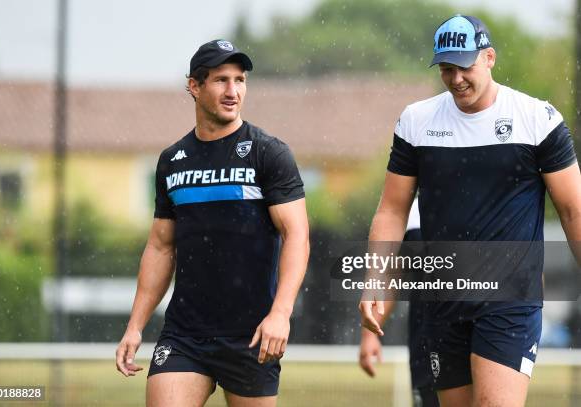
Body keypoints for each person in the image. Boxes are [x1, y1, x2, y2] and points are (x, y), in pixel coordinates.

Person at [359, 14, 580, 407]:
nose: (456, 78)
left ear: (489, 58)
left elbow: (573, 210)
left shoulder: (537, 120)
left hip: (509, 300)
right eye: (447, 69)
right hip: (443, 301)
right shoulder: (416, 122)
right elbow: (392, 210)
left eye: (464, 66)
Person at [115, 39, 310, 407]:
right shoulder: (173, 161)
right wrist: (135, 326)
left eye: (240, 80)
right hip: (184, 335)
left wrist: (280, 314)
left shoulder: (268, 153)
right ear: (195, 86)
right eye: (221, 80)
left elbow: (297, 235)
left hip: (251, 336)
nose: (233, 91)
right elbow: (160, 246)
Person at [359, 199, 440, 407]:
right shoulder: (410, 214)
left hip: (481, 339)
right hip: (426, 345)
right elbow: (390, 275)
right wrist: (370, 334)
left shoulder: (489, 203)